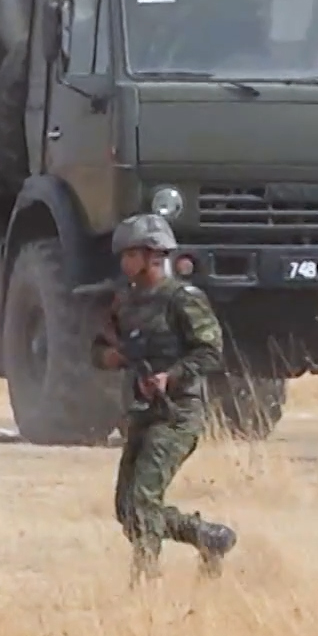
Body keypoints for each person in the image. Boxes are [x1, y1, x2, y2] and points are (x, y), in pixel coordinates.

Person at [91, 213, 239, 584]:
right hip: (142, 413)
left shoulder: (183, 300)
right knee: (128, 508)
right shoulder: (124, 302)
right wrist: (111, 357)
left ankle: (145, 580)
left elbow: (210, 351)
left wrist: (169, 376)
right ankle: (207, 537)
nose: (124, 262)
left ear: (152, 255)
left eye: (129, 255)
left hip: (177, 413)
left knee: (142, 501)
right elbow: (98, 349)